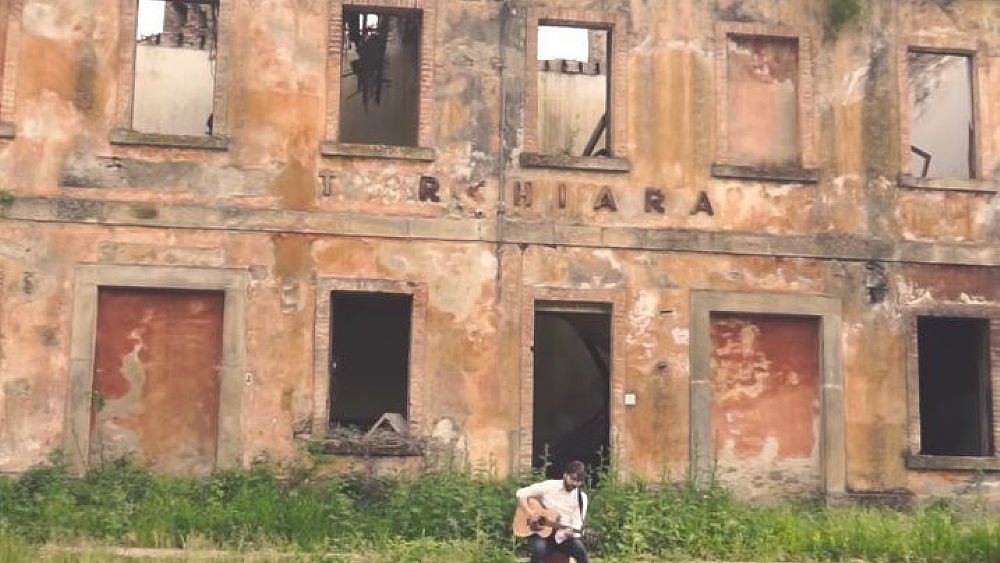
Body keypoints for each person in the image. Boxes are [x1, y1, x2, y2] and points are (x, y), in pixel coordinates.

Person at [515, 460, 590, 563]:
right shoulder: (550, 486)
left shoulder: (582, 499)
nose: (574, 483)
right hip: (541, 533)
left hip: (562, 538)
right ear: (565, 474)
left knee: (580, 551)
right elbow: (521, 493)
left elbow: (577, 524)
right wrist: (530, 513)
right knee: (539, 550)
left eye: (578, 481)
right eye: (572, 479)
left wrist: (571, 533)